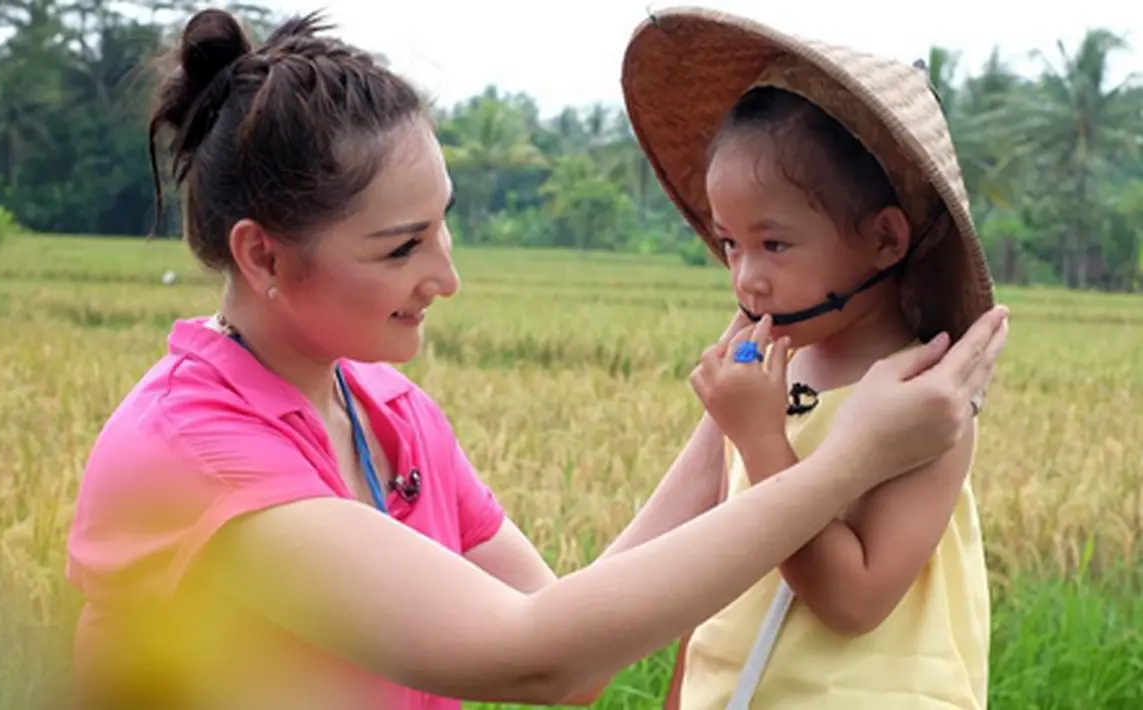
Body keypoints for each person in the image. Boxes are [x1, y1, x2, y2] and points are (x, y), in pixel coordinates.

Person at [63, 7, 1009, 710]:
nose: (447, 274)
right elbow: (534, 654)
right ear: (262, 256)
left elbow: (579, 641)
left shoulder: (389, 415)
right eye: (400, 247)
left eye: (442, 225)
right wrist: (848, 461)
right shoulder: (199, 457)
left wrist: (740, 419)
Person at [620, 8, 999, 710]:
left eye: (775, 245)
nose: (745, 279)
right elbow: (716, 573)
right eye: (730, 243)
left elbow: (853, 601)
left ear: (884, 240)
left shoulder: (926, 404)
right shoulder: (763, 376)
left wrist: (762, 440)